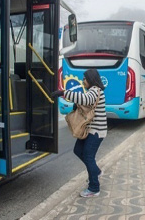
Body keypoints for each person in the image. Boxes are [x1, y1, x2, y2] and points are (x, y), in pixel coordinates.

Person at [52, 69, 107, 197]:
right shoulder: (93, 91)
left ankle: (94, 188)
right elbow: (85, 101)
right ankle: (96, 171)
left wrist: (63, 92)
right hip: (89, 129)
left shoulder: (95, 90)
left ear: (91, 79)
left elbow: (86, 99)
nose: (83, 81)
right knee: (78, 150)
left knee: (88, 157)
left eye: (84, 79)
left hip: (96, 131)